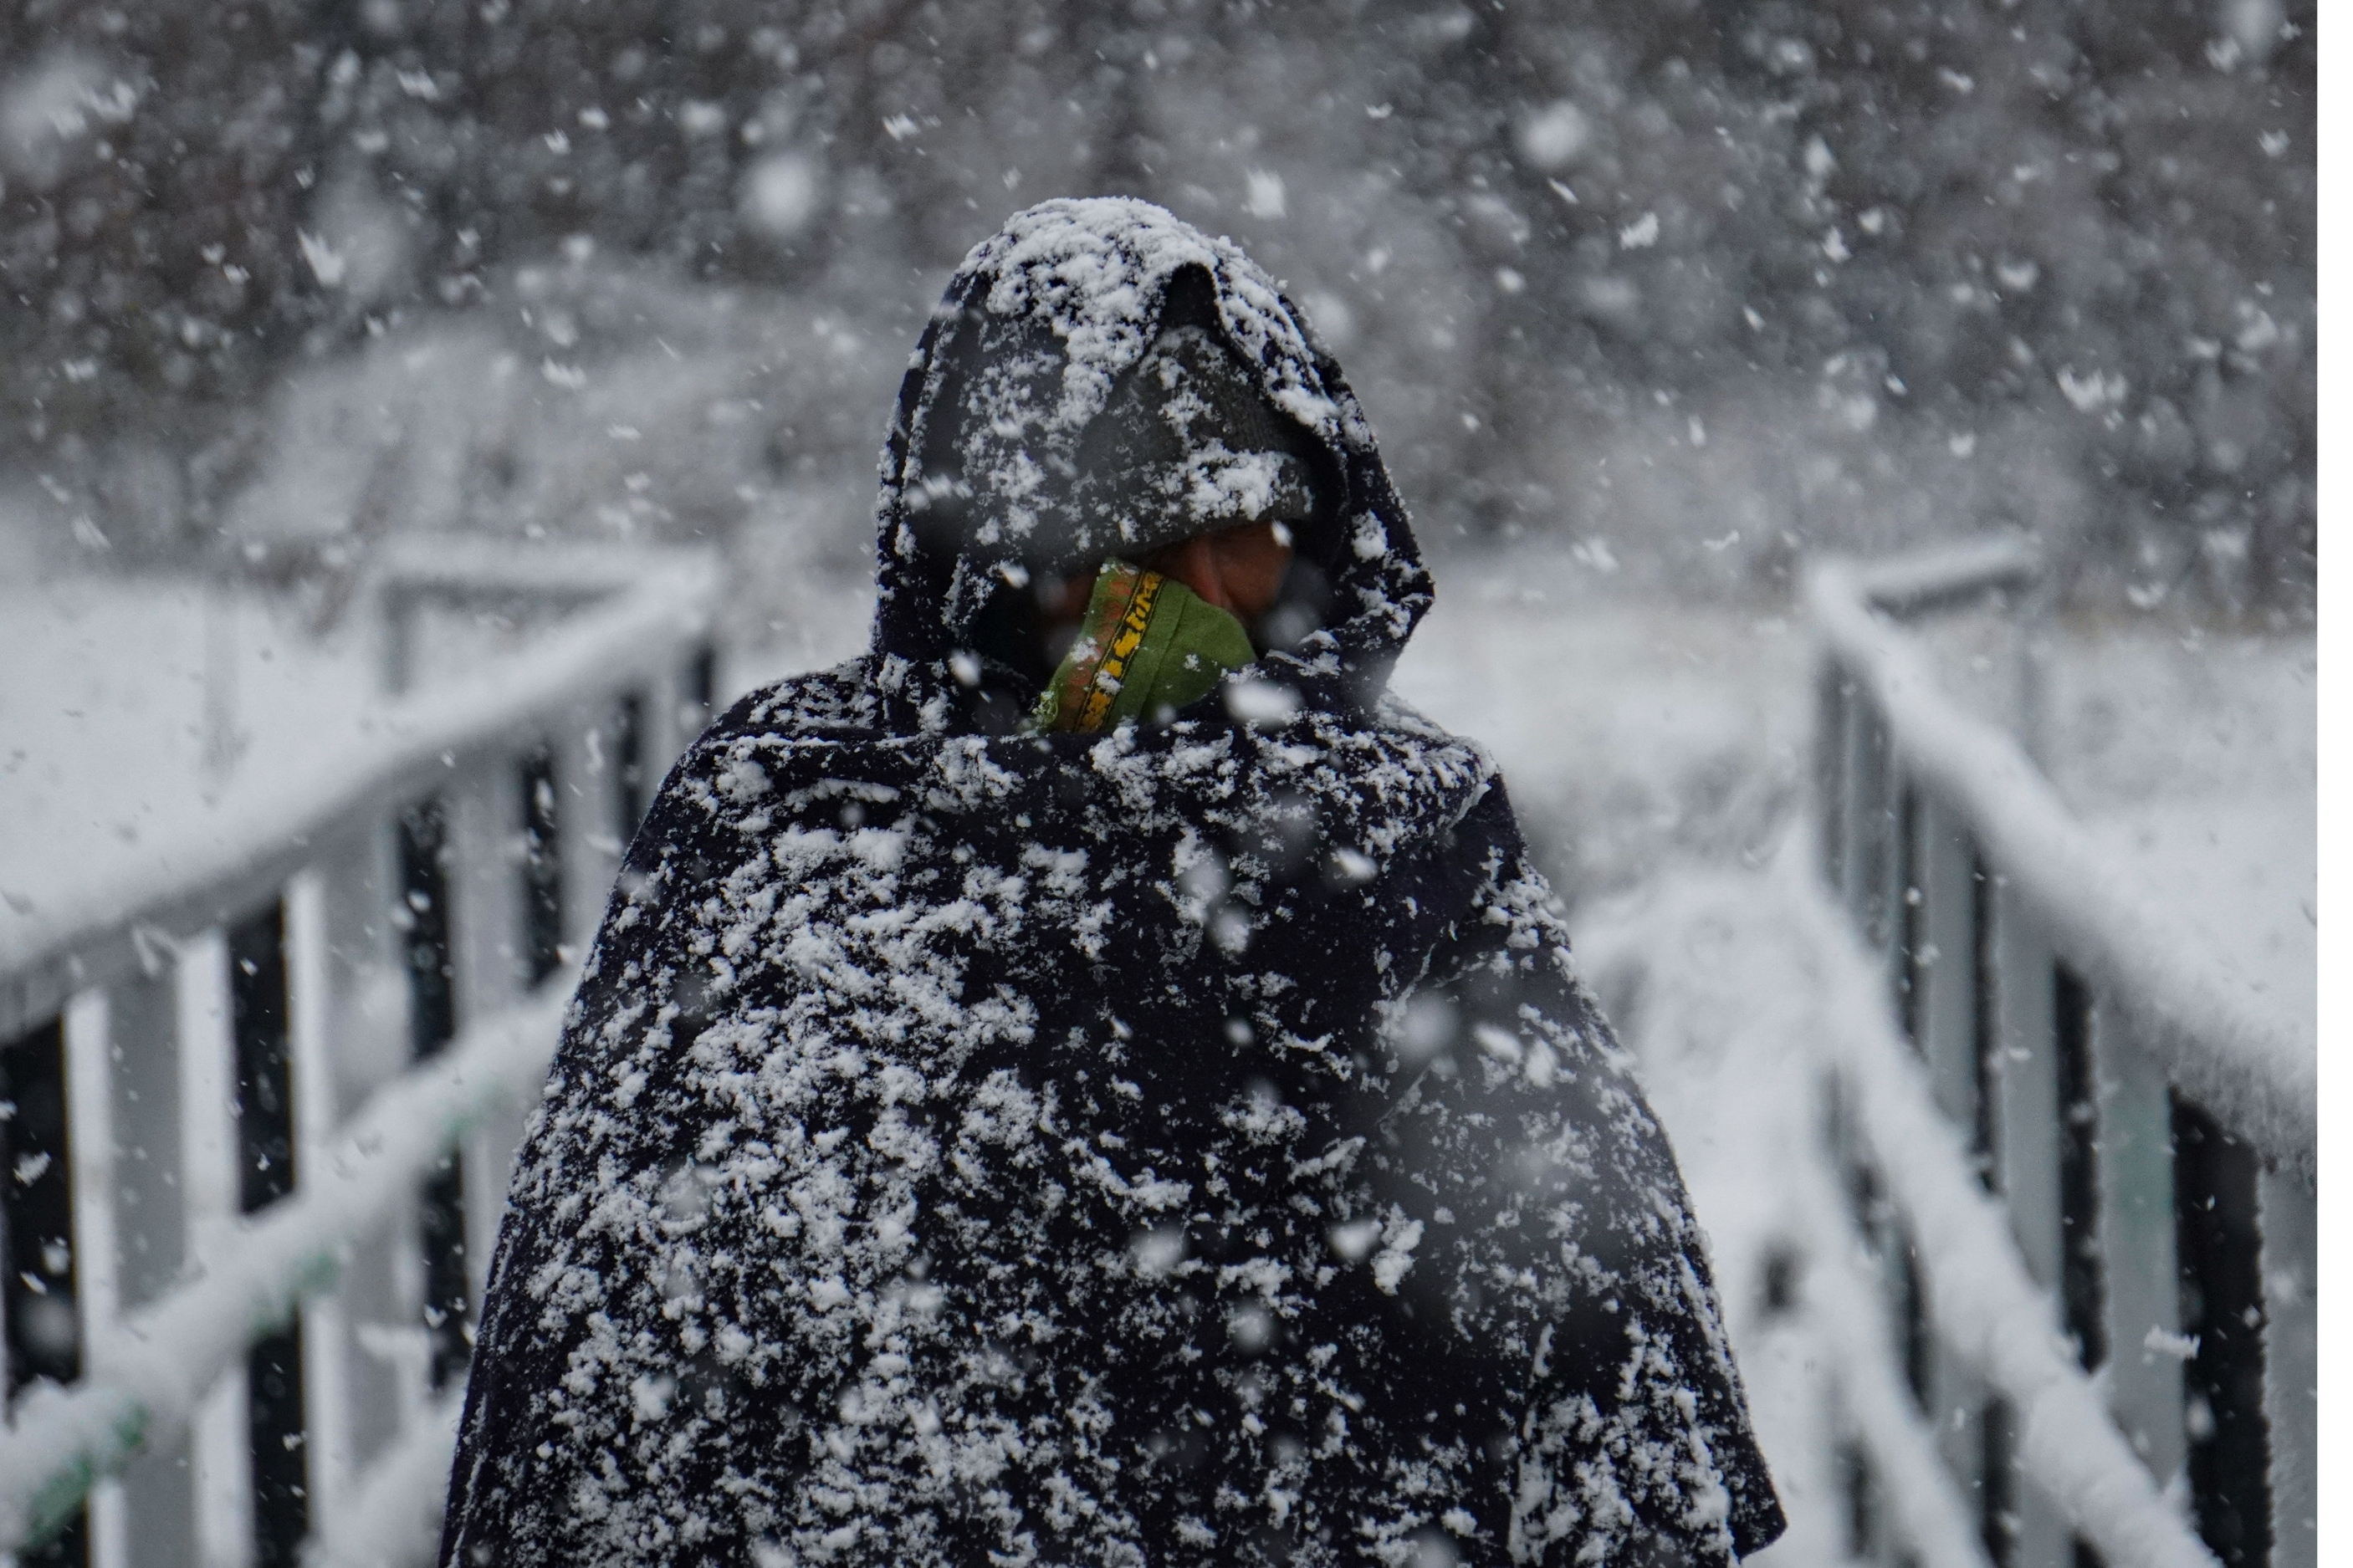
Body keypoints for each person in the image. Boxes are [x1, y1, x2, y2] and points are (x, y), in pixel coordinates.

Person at [439, 197, 1784, 1568]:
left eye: (1244, 531)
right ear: (992, 568)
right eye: (1120, 550)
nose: (1193, 598)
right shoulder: (788, 817)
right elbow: (605, 1369)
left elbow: (1609, 1392)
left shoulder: (1404, 850)